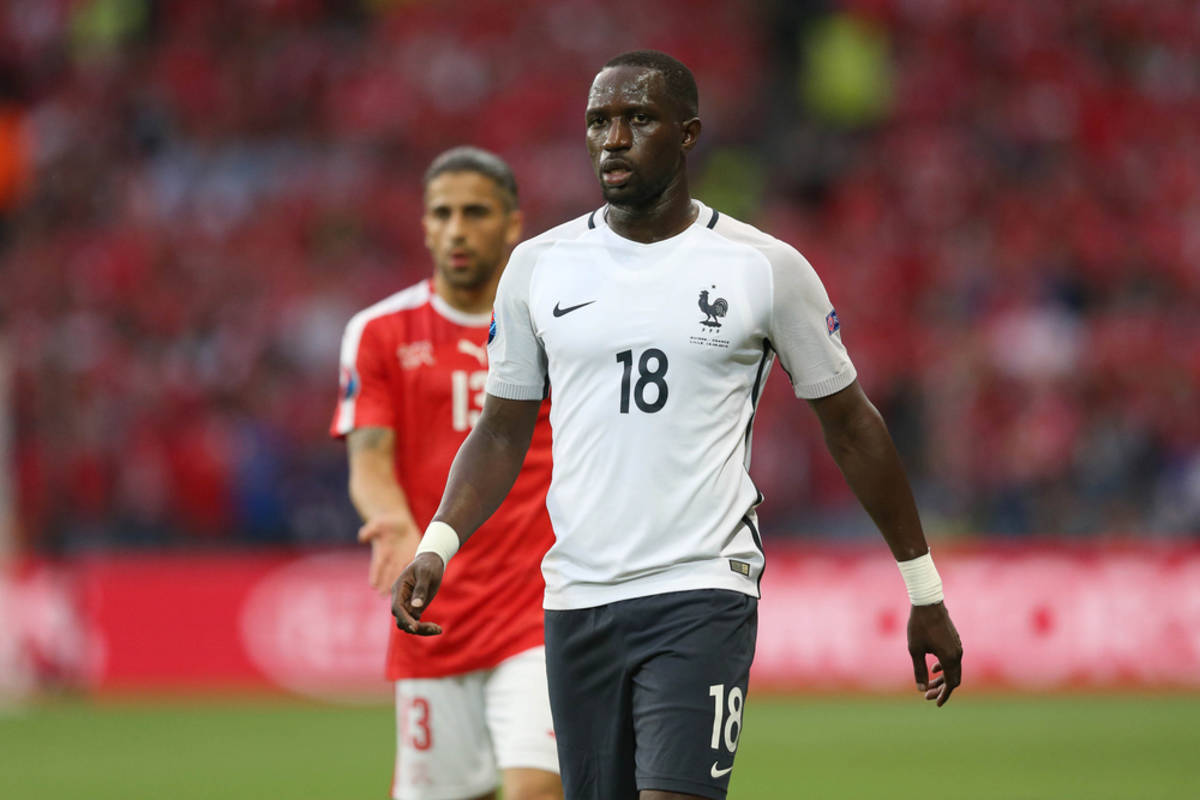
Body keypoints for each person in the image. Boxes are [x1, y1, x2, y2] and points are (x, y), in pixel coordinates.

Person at [391, 52, 963, 800]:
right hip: (577, 597)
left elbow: (851, 425)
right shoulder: (536, 268)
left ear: (688, 133)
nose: (613, 139)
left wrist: (923, 589)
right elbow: (500, 432)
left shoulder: (764, 267)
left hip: (702, 588)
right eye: (599, 121)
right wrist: (438, 545)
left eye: (638, 119)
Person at [331, 147, 562, 800]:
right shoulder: (379, 332)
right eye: (442, 214)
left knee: (538, 789)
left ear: (513, 223)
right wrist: (397, 526)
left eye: (476, 213)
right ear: (425, 225)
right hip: (432, 607)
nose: (457, 229)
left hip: (541, 603)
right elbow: (368, 459)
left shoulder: (553, 324)